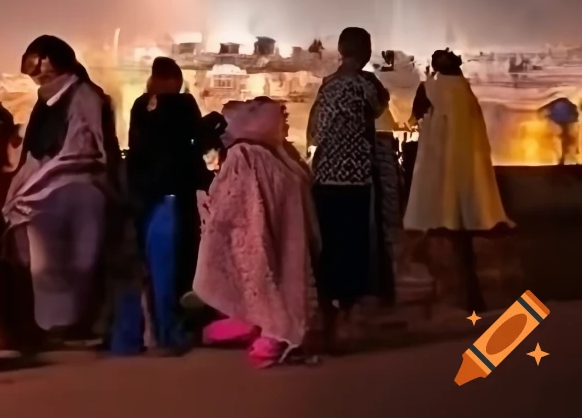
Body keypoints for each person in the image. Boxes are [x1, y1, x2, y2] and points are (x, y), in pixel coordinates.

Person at [193, 98, 317, 367]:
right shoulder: (251, 155)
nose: (283, 123)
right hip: (265, 236)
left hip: (277, 236)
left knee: (275, 292)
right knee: (270, 292)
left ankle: (270, 336)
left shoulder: (270, 153)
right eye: (280, 118)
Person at [3, 36, 110, 341]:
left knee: (81, 261)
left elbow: (85, 148)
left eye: (41, 65)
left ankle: (77, 323)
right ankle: (54, 325)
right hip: (45, 193)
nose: (37, 73)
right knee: (46, 265)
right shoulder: (45, 102)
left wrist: (37, 180)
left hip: (79, 187)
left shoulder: (84, 96)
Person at [404, 49, 512, 311]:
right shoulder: (465, 91)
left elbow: (416, 116)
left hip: (440, 164)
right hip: (467, 166)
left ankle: (462, 300)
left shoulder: (430, 88)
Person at [306, 27, 394, 346]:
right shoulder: (364, 84)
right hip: (355, 179)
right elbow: (380, 106)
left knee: (328, 246)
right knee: (354, 247)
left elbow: (314, 132)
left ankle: (327, 314)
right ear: (366, 52)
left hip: (324, 177)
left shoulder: (327, 85)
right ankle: (346, 316)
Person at [126, 57, 204, 351]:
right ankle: (171, 331)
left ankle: (151, 331)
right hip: (174, 195)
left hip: (143, 195)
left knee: (149, 265)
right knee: (173, 265)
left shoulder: (140, 105)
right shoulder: (183, 105)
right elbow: (195, 142)